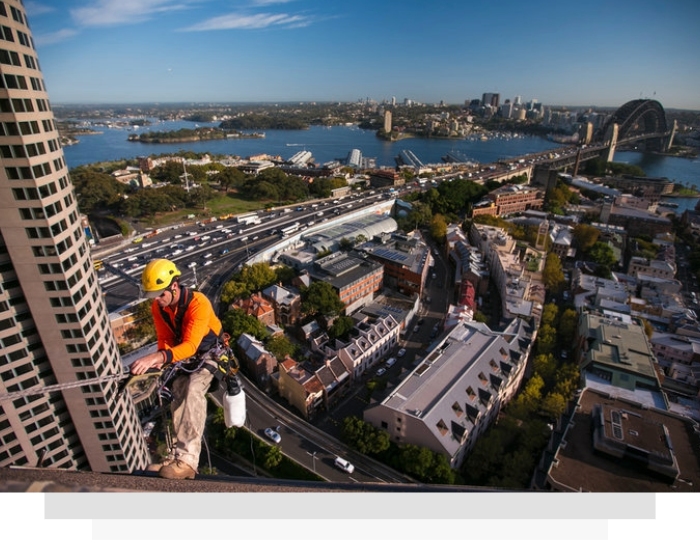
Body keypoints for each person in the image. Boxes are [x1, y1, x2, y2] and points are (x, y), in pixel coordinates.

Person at [129, 258, 223, 480]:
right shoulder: (158, 308)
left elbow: (191, 345)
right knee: (177, 391)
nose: (158, 301)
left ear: (174, 285)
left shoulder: (198, 303)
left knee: (191, 389)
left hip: (210, 354)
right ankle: (177, 455)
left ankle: (189, 460)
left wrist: (158, 356)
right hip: (186, 356)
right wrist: (161, 358)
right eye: (154, 296)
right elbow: (166, 339)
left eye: (161, 294)